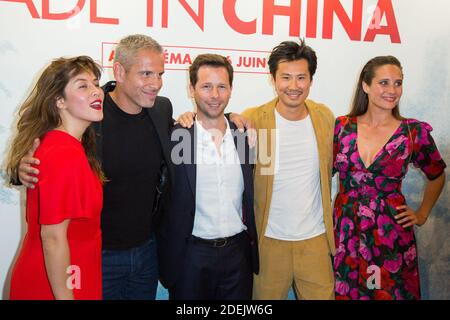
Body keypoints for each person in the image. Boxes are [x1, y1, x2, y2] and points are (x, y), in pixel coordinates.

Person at [15, 34, 174, 300]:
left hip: (146, 251)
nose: (155, 83)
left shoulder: (162, 109)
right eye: (146, 74)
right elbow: (46, 157)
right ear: (120, 72)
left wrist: (230, 118)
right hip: (99, 257)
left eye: (159, 74)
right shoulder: (91, 117)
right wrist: (22, 170)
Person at [332, 56, 446, 300]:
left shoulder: (412, 132)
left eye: (398, 83)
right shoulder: (341, 128)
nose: (392, 91)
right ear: (366, 85)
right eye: (384, 83)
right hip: (346, 232)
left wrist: (422, 213)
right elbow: (317, 175)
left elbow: (437, 174)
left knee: (386, 294)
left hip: (390, 235)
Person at [157, 54, 259, 300]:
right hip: (190, 256)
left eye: (222, 86)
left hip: (238, 256)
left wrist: (237, 116)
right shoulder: (176, 136)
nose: (214, 95)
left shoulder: (246, 135)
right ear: (191, 89)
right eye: (206, 86)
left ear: (231, 90)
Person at [242, 40, 335, 299]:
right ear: (273, 79)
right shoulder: (254, 120)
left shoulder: (324, 117)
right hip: (269, 241)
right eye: (285, 77)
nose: (293, 86)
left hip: (315, 239)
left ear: (311, 80)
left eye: (301, 78)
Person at [6, 56, 104, 299]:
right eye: (83, 86)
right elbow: (52, 238)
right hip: (56, 284)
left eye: (95, 83)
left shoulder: (67, 146)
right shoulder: (63, 152)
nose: (97, 92)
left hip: (68, 275)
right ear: (59, 101)